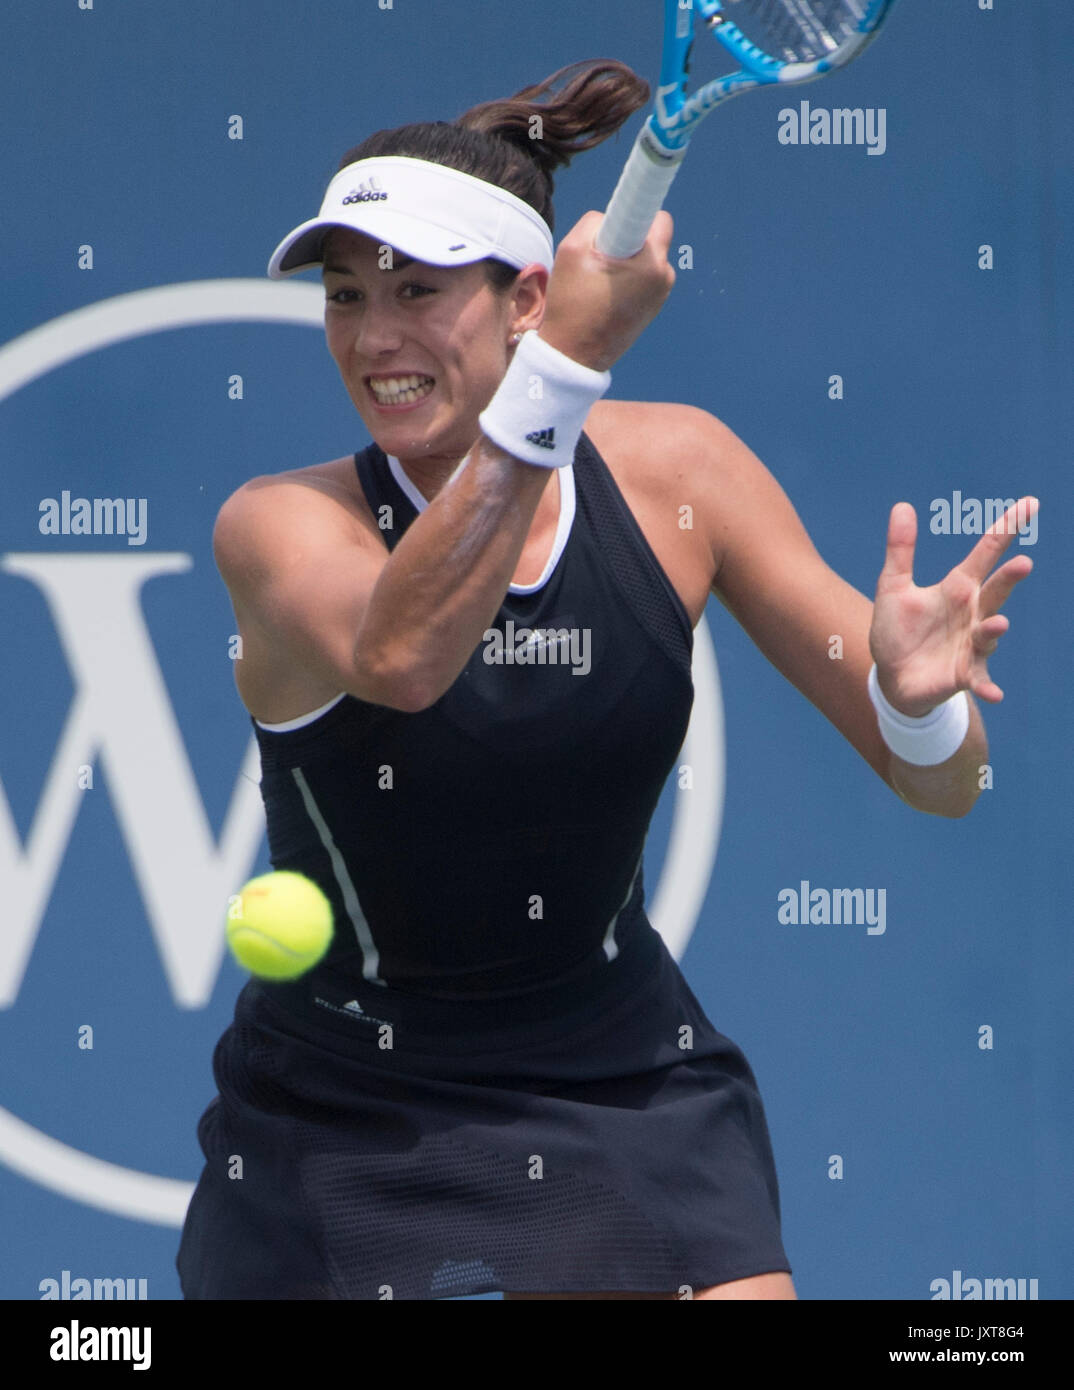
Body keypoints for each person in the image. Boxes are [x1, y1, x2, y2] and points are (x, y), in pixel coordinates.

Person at [176, 60, 1035, 1301]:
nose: (372, 337)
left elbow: (946, 787)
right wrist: (563, 368)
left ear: (524, 298)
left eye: (418, 291)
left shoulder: (684, 475)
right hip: (349, 1108)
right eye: (346, 295)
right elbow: (407, 657)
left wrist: (915, 699)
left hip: (624, 1069)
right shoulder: (279, 526)